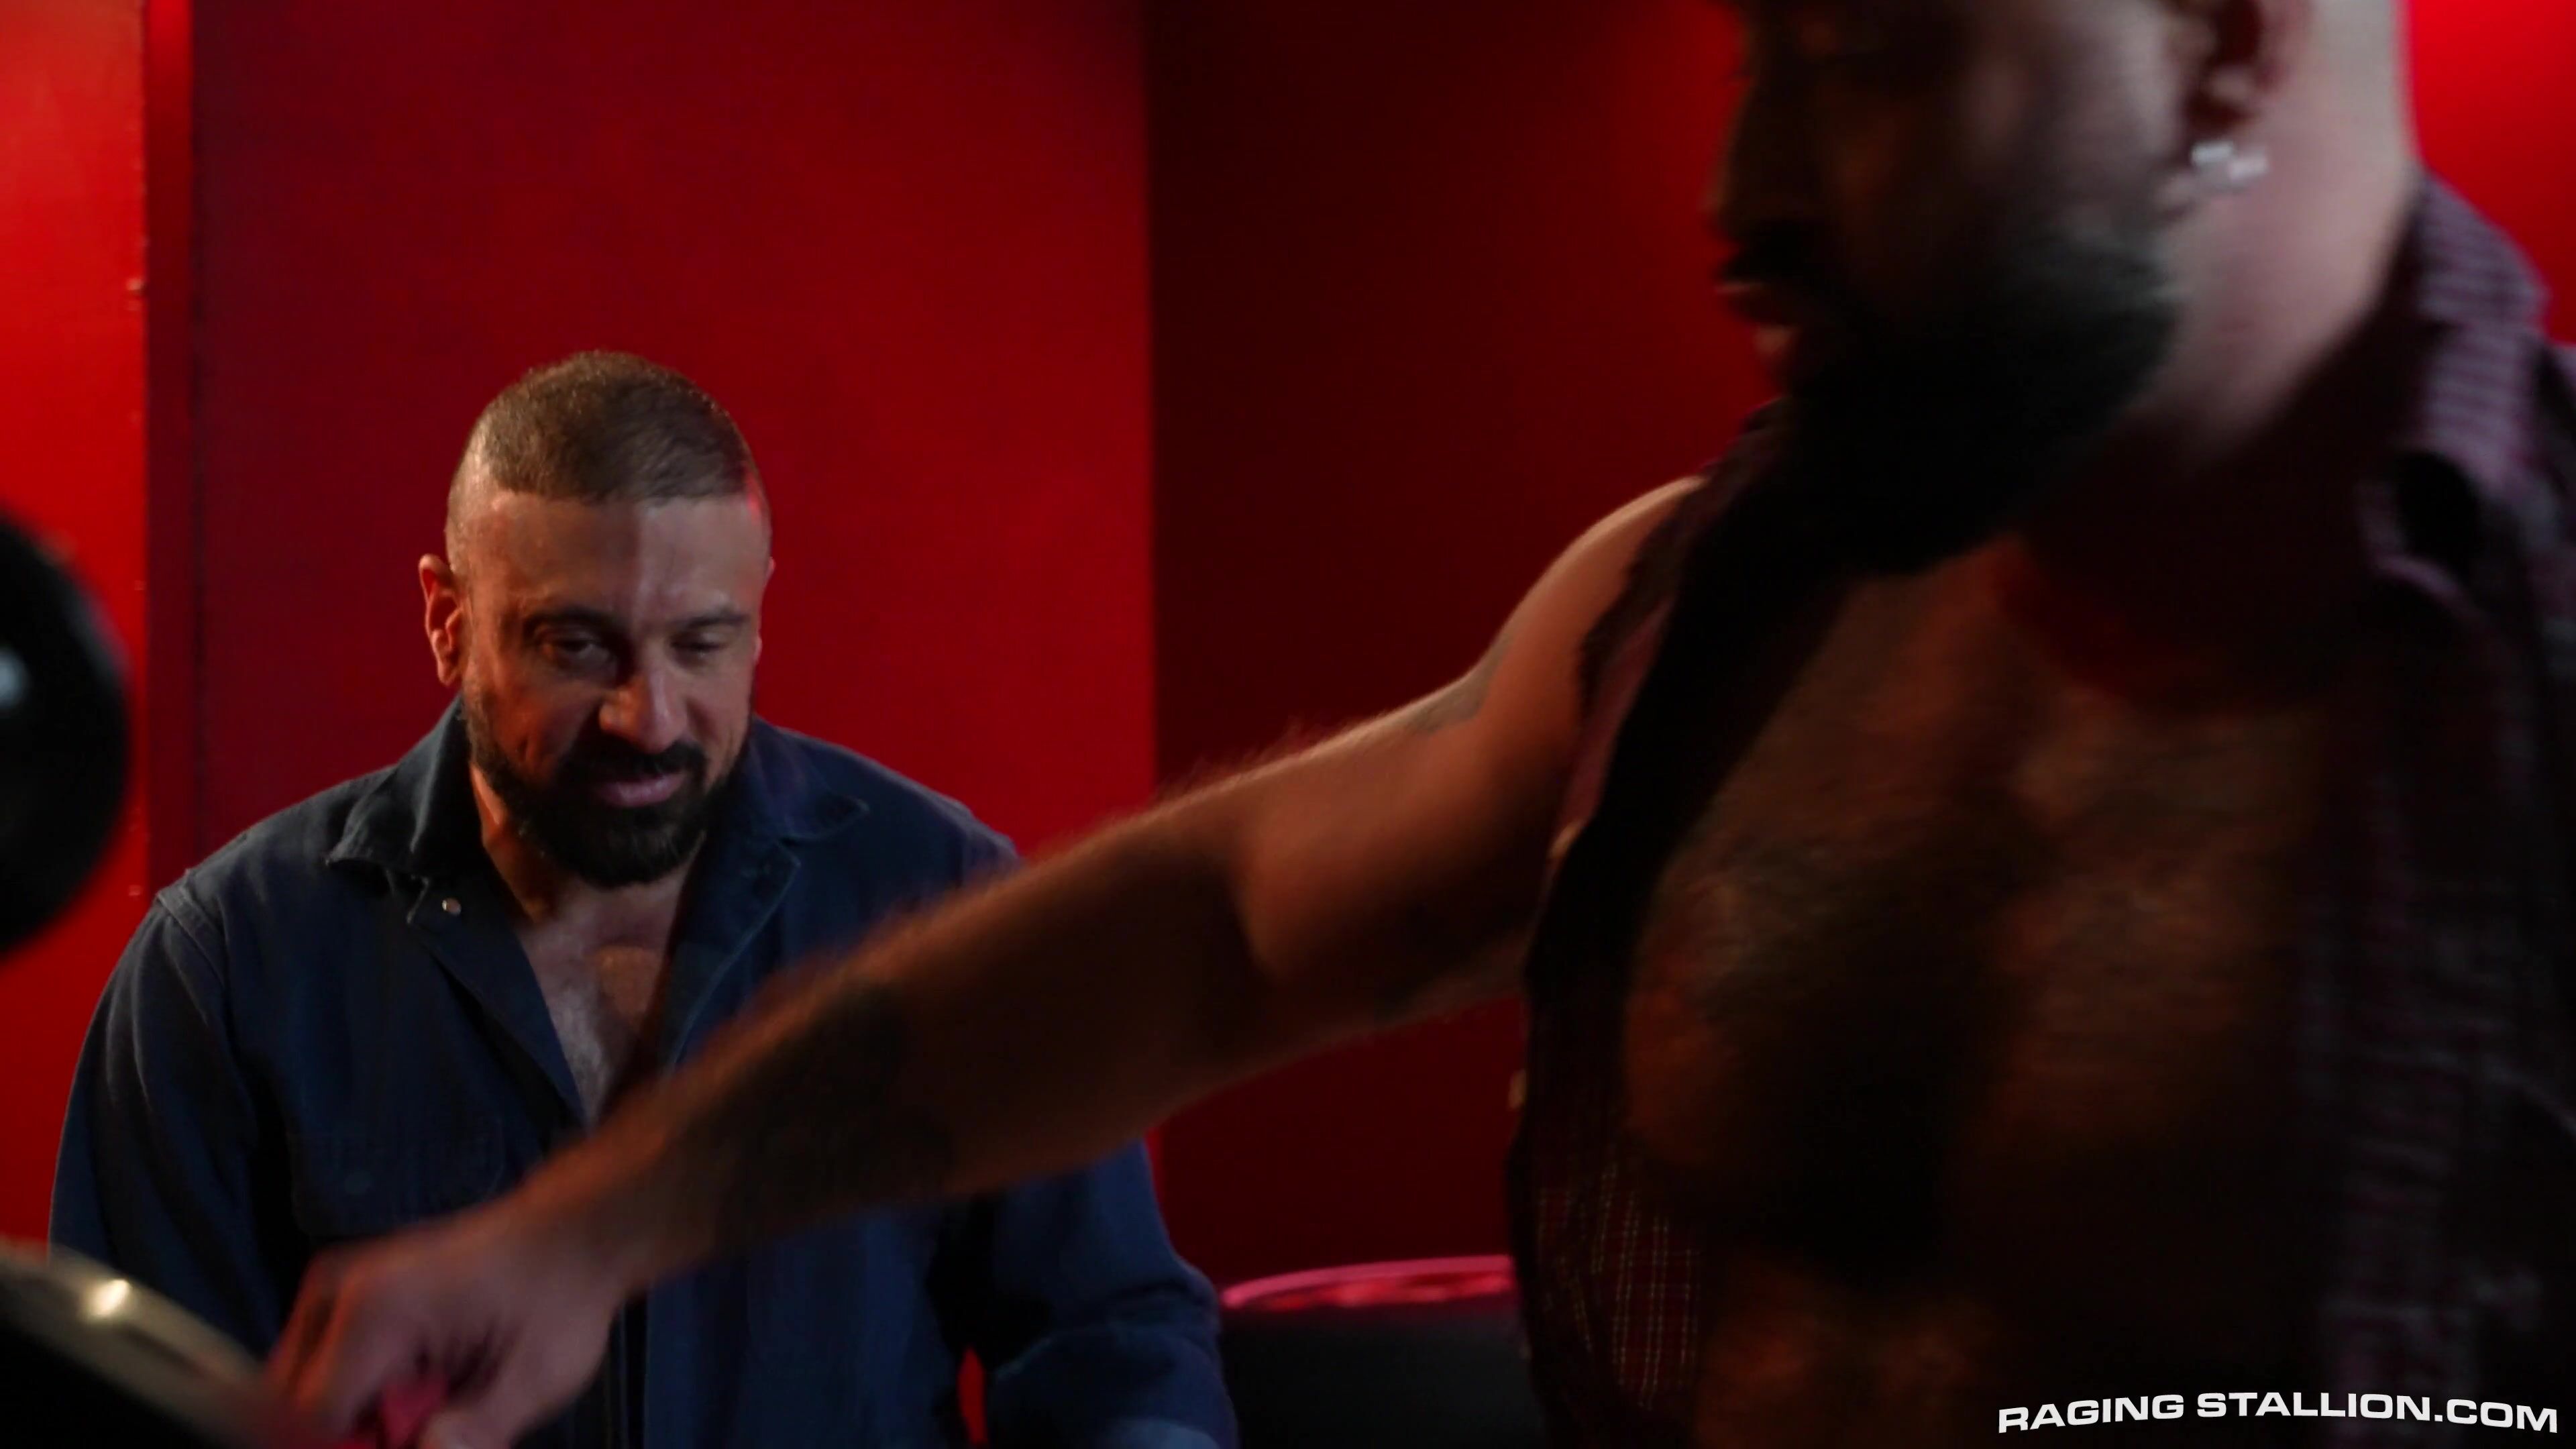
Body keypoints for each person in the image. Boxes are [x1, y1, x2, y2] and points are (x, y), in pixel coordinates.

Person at [270, 1, 2576, 1445]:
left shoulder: (2524, 683)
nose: (1743, 195)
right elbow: (1217, 927)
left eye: (1868, 48)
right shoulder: (1720, 609)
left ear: (2227, 43)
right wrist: (581, 1241)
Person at [52, 353, 1235, 1449]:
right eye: (577, 648)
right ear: (447, 620)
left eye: (702, 644)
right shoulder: (226, 968)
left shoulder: (942, 899)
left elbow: (1115, 1336)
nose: (649, 717)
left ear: (759, 613)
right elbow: (132, 1421)